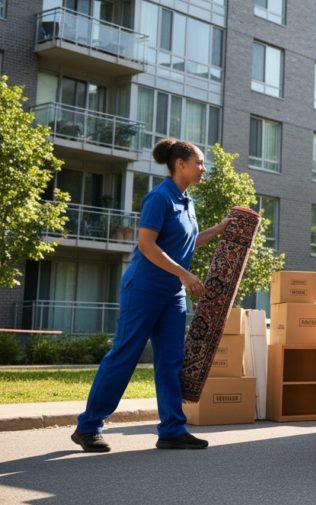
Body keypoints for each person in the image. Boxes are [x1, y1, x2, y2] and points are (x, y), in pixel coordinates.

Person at [73, 139, 230, 452]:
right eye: (199, 162)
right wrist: (185, 274)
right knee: (124, 356)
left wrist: (221, 228)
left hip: (171, 294)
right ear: (180, 164)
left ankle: (172, 428)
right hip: (143, 289)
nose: (203, 168)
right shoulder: (159, 198)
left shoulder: (187, 201)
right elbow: (147, 245)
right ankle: (89, 426)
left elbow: (187, 242)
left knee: (171, 361)